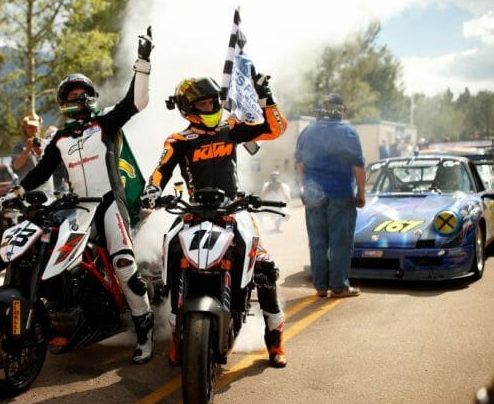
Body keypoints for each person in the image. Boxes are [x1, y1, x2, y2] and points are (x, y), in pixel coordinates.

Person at [18, 26, 155, 364]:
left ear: (91, 98)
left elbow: (136, 102)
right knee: (53, 255)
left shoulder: (104, 123)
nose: (79, 100)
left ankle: (144, 331)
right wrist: (15, 191)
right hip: (78, 208)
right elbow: (40, 173)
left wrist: (143, 62)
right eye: (72, 96)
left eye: (83, 95)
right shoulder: (60, 139)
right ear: (63, 103)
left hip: (109, 204)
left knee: (124, 263)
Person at [142, 74, 289, 368]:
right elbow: (160, 172)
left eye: (212, 102)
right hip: (193, 209)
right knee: (171, 254)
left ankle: (275, 343)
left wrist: (266, 96)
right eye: (203, 104)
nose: (210, 107)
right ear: (188, 108)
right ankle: (176, 339)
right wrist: (152, 191)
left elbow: (276, 128)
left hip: (233, 208)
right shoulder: (178, 140)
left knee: (264, 268)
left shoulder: (230, 128)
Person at [294, 93, 365, 298]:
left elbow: (300, 164)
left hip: (313, 194)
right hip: (340, 193)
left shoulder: (307, 131)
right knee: (340, 241)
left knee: (317, 241)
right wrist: (361, 193)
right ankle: (339, 287)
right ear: (340, 110)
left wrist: (304, 188)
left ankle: (320, 287)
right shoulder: (348, 132)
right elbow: (358, 166)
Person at [11, 113, 67, 192]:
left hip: (48, 190)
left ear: (40, 127)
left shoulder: (46, 143)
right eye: (30, 127)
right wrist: (27, 150)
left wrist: (40, 152)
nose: (34, 129)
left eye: (36, 127)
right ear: (24, 128)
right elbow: (16, 166)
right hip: (28, 191)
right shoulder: (19, 146)